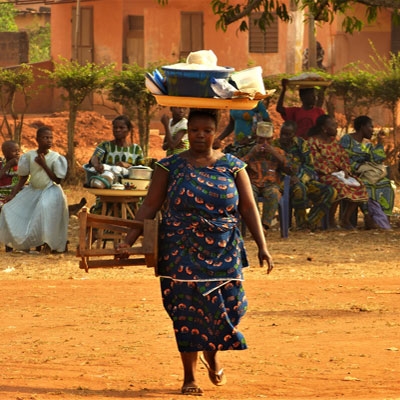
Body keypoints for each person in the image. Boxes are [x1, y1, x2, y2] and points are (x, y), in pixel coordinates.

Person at [116, 108, 273, 396]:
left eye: (207, 130)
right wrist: (128, 240)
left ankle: (211, 352)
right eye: (195, 130)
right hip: (180, 247)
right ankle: (189, 376)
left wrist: (263, 246)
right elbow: (150, 206)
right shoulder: (169, 166)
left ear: (217, 132)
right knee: (186, 313)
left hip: (224, 247)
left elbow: (248, 208)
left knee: (233, 306)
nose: (200, 135)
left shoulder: (233, 166)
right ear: (187, 133)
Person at [0, 126, 69, 253]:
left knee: (43, 208)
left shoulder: (55, 157)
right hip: (33, 190)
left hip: (51, 191)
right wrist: (12, 195)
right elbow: (23, 178)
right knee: (8, 209)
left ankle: (47, 243)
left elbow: (57, 180)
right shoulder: (29, 156)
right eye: (45, 138)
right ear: (37, 139)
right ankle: (19, 243)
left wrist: (44, 165)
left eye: (50, 138)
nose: (49, 140)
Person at [307, 115, 371, 230]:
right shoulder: (313, 141)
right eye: (333, 125)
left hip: (339, 174)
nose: (336, 128)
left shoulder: (334, 142)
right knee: (338, 186)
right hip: (322, 175)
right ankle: (331, 220)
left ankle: (345, 219)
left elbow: (344, 157)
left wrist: (345, 170)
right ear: (324, 128)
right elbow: (315, 161)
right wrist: (332, 171)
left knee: (360, 185)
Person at [273, 121, 337, 230]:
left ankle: (310, 221)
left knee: (330, 192)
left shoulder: (301, 144)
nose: (284, 137)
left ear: (294, 134)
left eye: (287, 134)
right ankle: (301, 223)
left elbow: (309, 166)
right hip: (282, 182)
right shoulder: (274, 146)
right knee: (299, 189)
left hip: (303, 179)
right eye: (282, 133)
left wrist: (300, 178)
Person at [340, 115, 395, 222]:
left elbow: (378, 159)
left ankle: (382, 219)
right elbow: (342, 156)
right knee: (366, 186)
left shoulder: (368, 145)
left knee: (386, 185)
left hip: (367, 174)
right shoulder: (347, 139)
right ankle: (368, 218)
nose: (373, 130)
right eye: (370, 127)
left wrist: (380, 142)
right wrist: (357, 166)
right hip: (350, 172)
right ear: (362, 127)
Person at [86, 115, 144, 214]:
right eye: (115, 127)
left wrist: (128, 165)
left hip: (129, 193)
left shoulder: (136, 149)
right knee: (101, 215)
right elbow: (95, 157)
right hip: (107, 189)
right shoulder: (105, 146)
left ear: (128, 130)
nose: (117, 130)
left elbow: (142, 169)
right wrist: (96, 165)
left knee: (132, 215)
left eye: (121, 128)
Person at [240, 121, 290, 231]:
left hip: (271, 184)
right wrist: (250, 155)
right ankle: (256, 225)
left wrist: (274, 153)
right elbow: (235, 167)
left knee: (273, 193)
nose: (264, 143)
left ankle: (264, 227)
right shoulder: (247, 150)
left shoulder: (278, 152)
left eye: (268, 140)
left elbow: (291, 169)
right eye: (261, 139)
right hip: (252, 183)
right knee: (249, 194)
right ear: (256, 138)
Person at [0, 140, 20, 205]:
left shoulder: (22, 165)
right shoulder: (1, 165)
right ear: (5, 153)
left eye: (18, 151)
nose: (17, 153)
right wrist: (8, 165)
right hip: (2, 195)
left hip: (17, 195)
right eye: (14, 151)